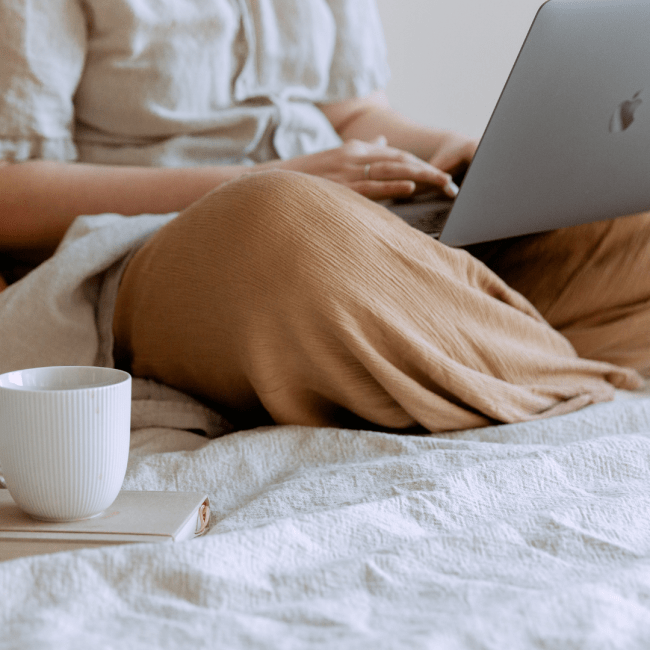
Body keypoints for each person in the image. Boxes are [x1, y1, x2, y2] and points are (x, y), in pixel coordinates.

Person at [0, 0, 647, 433]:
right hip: (181, 241)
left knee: (626, 211)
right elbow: (12, 192)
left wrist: (455, 151)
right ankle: (578, 377)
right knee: (281, 223)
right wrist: (270, 180)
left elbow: (357, 116)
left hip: (354, 219)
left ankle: (491, 358)